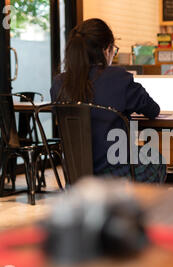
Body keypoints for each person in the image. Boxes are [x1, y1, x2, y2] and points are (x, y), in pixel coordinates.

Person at [50, 18, 165, 183]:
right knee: (155, 159)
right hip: (115, 173)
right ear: (106, 49)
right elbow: (153, 110)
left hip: (75, 176)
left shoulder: (59, 83)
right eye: (114, 50)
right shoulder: (119, 77)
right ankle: (132, 204)